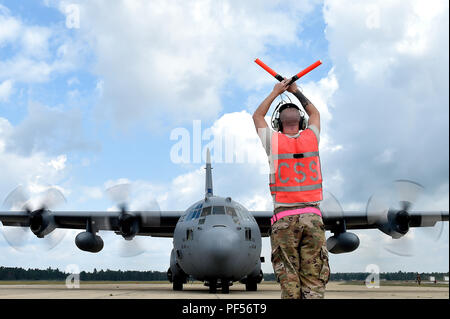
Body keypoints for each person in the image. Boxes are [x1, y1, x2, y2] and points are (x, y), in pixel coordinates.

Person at [252, 78, 330, 299]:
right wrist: (295, 92)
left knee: (289, 281)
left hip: (284, 220)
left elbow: (257, 116)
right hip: (312, 218)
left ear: (277, 123)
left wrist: (276, 93)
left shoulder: (273, 142)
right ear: (302, 121)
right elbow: (315, 112)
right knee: (314, 281)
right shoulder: (311, 137)